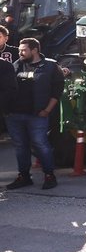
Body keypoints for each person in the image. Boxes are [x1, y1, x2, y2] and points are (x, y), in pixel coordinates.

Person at [3, 38, 63, 190]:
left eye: (24, 50)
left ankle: (49, 175)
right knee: (20, 147)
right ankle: (24, 176)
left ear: (35, 50)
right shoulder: (16, 65)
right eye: (19, 50)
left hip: (37, 115)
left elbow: (57, 91)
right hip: (14, 115)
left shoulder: (49, 66)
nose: (20, 53)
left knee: (41, 144)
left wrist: (47, 110)